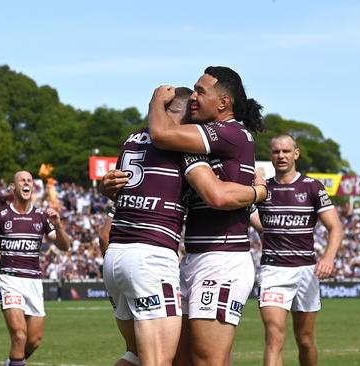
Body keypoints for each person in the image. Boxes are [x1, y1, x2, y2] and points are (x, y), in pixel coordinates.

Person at [100, 86, 267, 366]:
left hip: (116, 257)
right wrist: (259, 193)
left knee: (137, 356)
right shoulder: (176, 145)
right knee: (159, 361)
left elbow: (106, 227)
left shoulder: (131, 141)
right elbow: (216, 195)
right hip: (151, 258)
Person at [147, 66, 265, 366]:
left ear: (223, 103)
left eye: (201, 92)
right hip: (197, 258)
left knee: (206, 360)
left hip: (222, 260)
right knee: (183, 360)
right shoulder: (214, 138)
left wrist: (156, 100)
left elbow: (161, 133)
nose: (194, 97)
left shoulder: (228, 132)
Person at [250, 134, 343, 366]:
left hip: (306, 272)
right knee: (274, 337)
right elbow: (256, 220)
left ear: (296, 154)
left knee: (305, 339)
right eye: (275, 152)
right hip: (273, 271)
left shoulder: (312, 187)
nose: (281, 156)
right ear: (270, 156)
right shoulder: (263, 190)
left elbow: (335, 227)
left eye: (286, 151)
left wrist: (328, 258)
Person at [0, 170, 70, 366]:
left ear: (33, 187)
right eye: (22, 180)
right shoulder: (0, 217)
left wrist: (59, 225)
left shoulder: (41, 217)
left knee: (34, 341)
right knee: (19, 335)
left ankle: (11, 363)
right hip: (10, 279)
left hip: (34, 282)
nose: (26, 182)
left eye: (29, 180)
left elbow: (64, 245)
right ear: (13, 187)